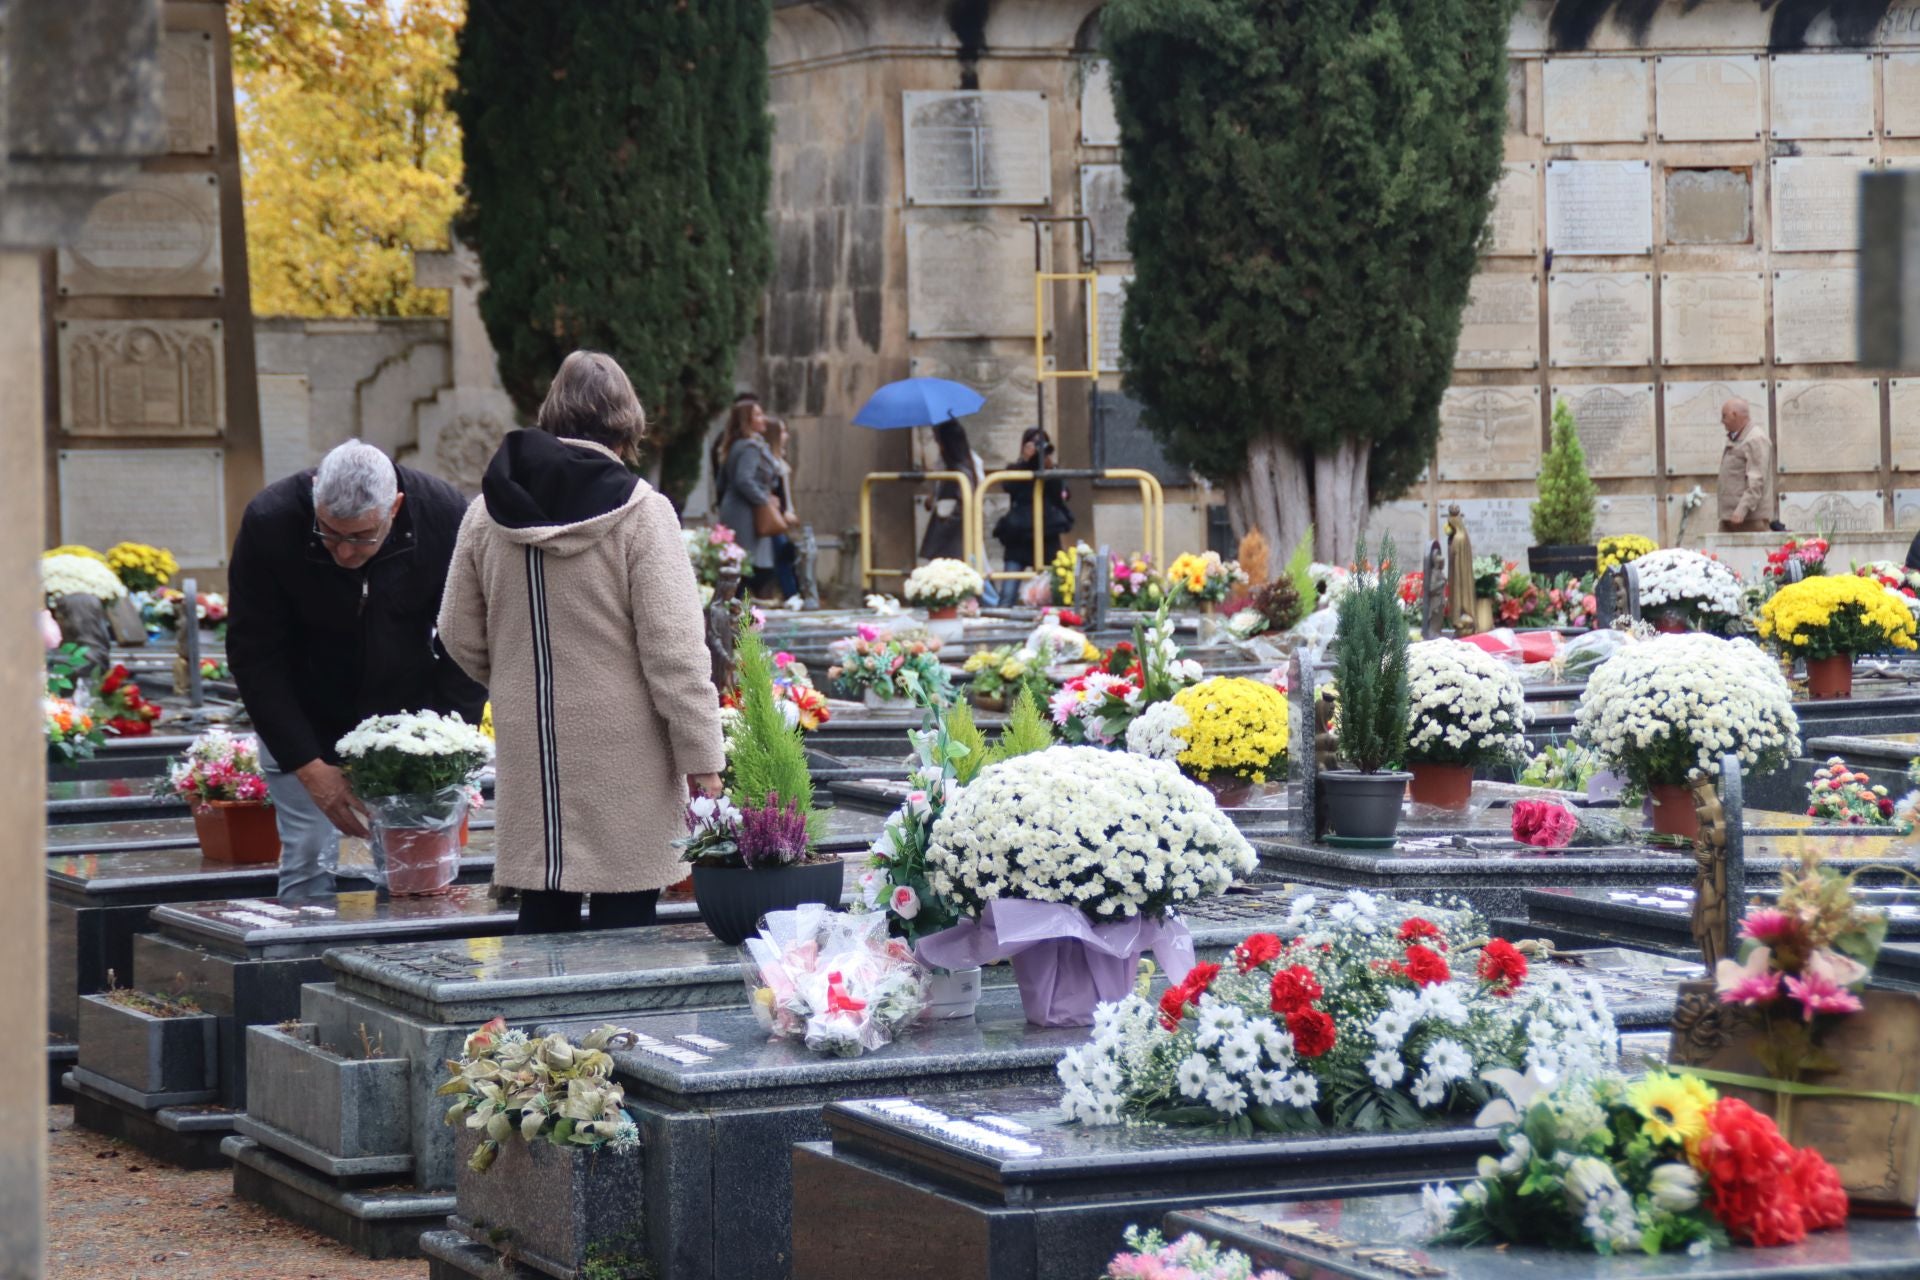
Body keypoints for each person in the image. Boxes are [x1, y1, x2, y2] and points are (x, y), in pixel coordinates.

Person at [437, 351, 726, 935]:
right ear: (627, 422)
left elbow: (456, 632)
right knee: (626, 918)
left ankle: (535, 1028)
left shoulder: (485, 514)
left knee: (543, 904)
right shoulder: (644, 513)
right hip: (628, 748)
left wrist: (517, 675)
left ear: (551, 413)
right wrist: (705, 761)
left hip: (530, 741)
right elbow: (675, 654)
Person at [227, 439, 485, 900]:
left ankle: (413, 964)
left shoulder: (443, 515)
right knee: (307, 854)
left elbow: (465, 643)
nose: (343, 553)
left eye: (362, 537)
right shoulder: (271, 521)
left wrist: (447, 751)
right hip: (302, 712)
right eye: (329, 533)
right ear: (313, 500)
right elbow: (255, 653)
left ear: (396, 508)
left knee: (417, 867)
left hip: (406, 724)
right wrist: (308, 766)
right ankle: (296, 963)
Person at [713, 396, 786, 597]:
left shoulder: (736, 445)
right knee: (746, 565)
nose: (763, 419)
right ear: (747, 420)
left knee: (740, 563)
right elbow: (743, 480)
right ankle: (741, 609)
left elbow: (721, 482)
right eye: (757, 414)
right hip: (745, 512)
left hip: (736, 509)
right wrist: (765, 500)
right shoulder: (749, 447)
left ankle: (740, 606)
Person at [991, 426, 1072, 571]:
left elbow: (1063, 495)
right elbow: (1009, 487)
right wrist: (1024, 461)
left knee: (1052, 586)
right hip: (1019, 536)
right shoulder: (1015, 468)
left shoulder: (1052, 470)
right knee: (1009, 591)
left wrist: (1050, 469)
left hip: (1047, 534)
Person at [921, 416, 984, 562]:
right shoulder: (956, 466)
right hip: (954, 538)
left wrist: (944, 516)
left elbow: (960, 505)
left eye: (939, 441)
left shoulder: (960, 471)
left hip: (952, 539)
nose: (938, 445)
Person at [1716, 397, 1775, 533]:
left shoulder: (1755, 439)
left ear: (1734, 415)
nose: (1722, 421)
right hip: (1732, 519)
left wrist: (1742, 509)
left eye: (1724, 416)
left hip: (1748, 521)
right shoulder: (1739, 437)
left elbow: (1757, 479)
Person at [764, 416, 802, 600]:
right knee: (782, 555)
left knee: (784, 554)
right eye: (783, 431)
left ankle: (790, 592)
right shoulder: (771, 461)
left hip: (781, 514)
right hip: (773, 516)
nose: (786, 435)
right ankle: (790, 593)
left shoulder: (779, 459)